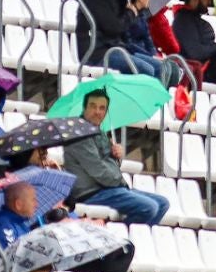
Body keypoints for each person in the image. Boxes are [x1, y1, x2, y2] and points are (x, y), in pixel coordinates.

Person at [61, 88, 169, 224]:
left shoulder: (97, 131)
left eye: (102, 108)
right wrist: (120, 182)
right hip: (91, 192)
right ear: (84, 108)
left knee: (162, 203)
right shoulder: (79, 133)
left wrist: (115, 155)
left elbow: (107, 165)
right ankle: (122, 239)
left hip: (106, 188)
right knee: (149, 208)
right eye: (93, 106)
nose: (97, 112)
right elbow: (98, 170)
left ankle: (129, 235)